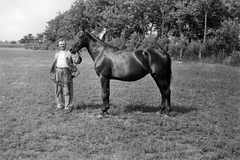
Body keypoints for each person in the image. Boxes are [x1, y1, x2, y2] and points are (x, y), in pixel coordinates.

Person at [50, 39, 82, 111]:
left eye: (63, 44)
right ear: (59, 45)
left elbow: (76, 61)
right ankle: (59, 105)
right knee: (58, 89)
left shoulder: (69, 53)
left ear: (66, 45)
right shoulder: (56, 54)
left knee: (67, 89)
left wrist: (78, 55)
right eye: (61, 44)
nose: (62, 45)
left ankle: (67, 106)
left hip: (66, 71)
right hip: (57, 71)